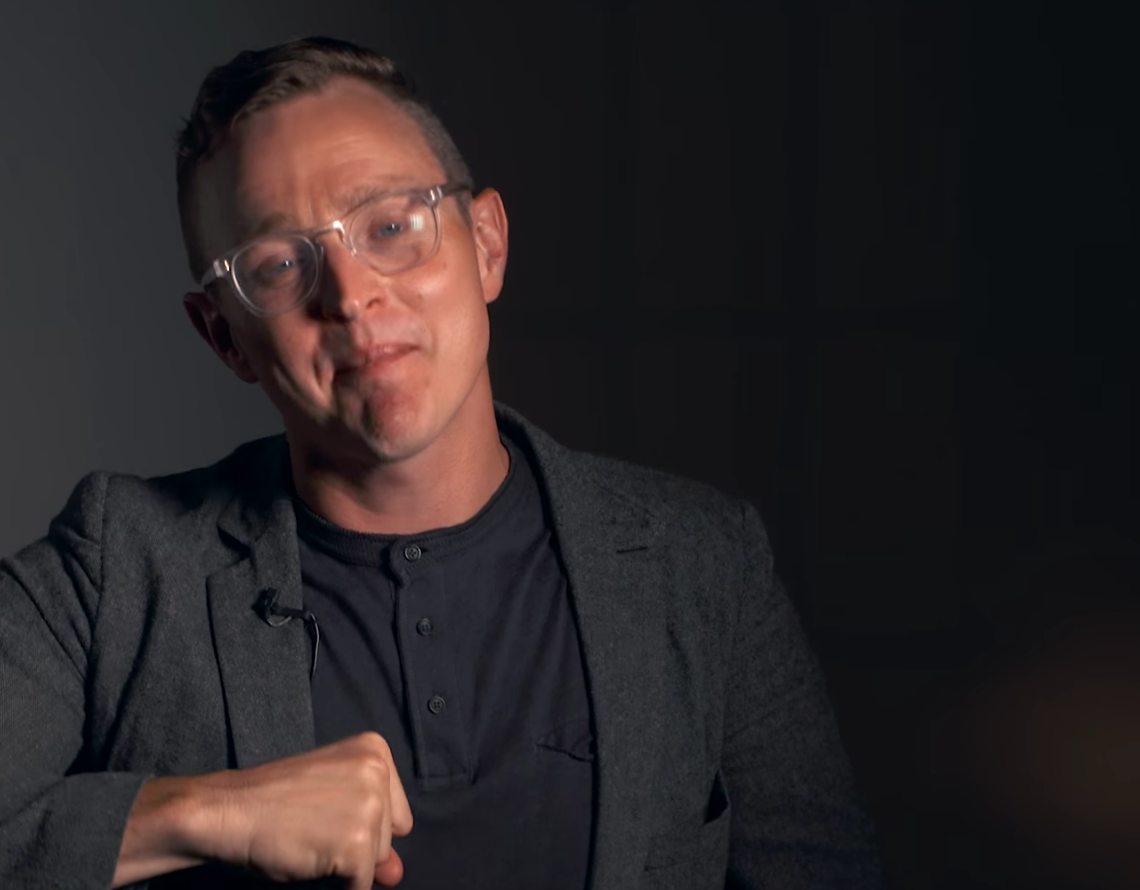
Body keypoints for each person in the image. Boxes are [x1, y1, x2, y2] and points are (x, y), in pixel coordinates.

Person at [0, 36, 881, 890]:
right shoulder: (117, 568)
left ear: (487, 243)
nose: (351, 295)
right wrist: (210, 812)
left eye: (390, 225)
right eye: (278, 265)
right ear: (224, 337)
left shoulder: (704, 563)